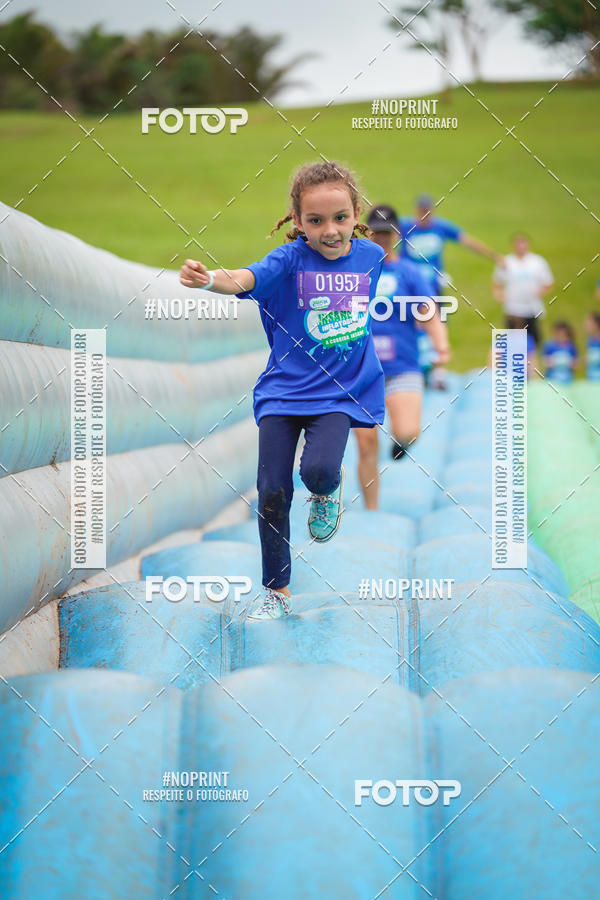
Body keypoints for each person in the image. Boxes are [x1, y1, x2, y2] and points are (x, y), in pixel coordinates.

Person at [180, 161, 386, 619]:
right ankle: (277, 589)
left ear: (356, 213)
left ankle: (326, 490)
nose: (329, 230)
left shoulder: (371, 258)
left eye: (339, 218)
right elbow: (245, 278)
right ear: (297, 221)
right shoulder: (287, 260)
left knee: (317, 469)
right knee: (271, 489)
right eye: (315, 221)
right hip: (283, 393)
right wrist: (210, 279)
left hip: (337, 393)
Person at [354, 204, 450, 510]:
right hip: (362, 370)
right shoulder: (354, 270)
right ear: (367, 234)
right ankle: (372, 509)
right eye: (377, 233)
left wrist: (441, 345)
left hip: (403, 365)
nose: (382, 239)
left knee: (408, 430)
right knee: (366, 445)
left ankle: (400, 442)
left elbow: (429, 310)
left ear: (396, 235)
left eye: (388, 234)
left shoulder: (409, 271)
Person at [397, 193, 503, 294]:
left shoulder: (440, 227)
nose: (424, 215)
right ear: (416, 210)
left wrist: (495, 256)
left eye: (427, 211)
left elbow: (468, 241)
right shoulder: (404, 226)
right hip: (410, 284)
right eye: (422, 211)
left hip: (433, 284)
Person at [492, 233, 554, 346]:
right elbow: (497, 282)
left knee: (533, 341)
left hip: (531, 308)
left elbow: (548, 283)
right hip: (512, 309)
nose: (520, 246)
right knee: (512, 342)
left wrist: (539, 292)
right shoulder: (506, 262)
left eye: (523, 243)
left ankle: (532, 362)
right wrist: (499, 295)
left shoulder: (537, 262)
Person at [585, 312, 600, 381]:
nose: (586, 325)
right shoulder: (589, 339)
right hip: (591, 378)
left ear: (596, 324)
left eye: (589, 323)